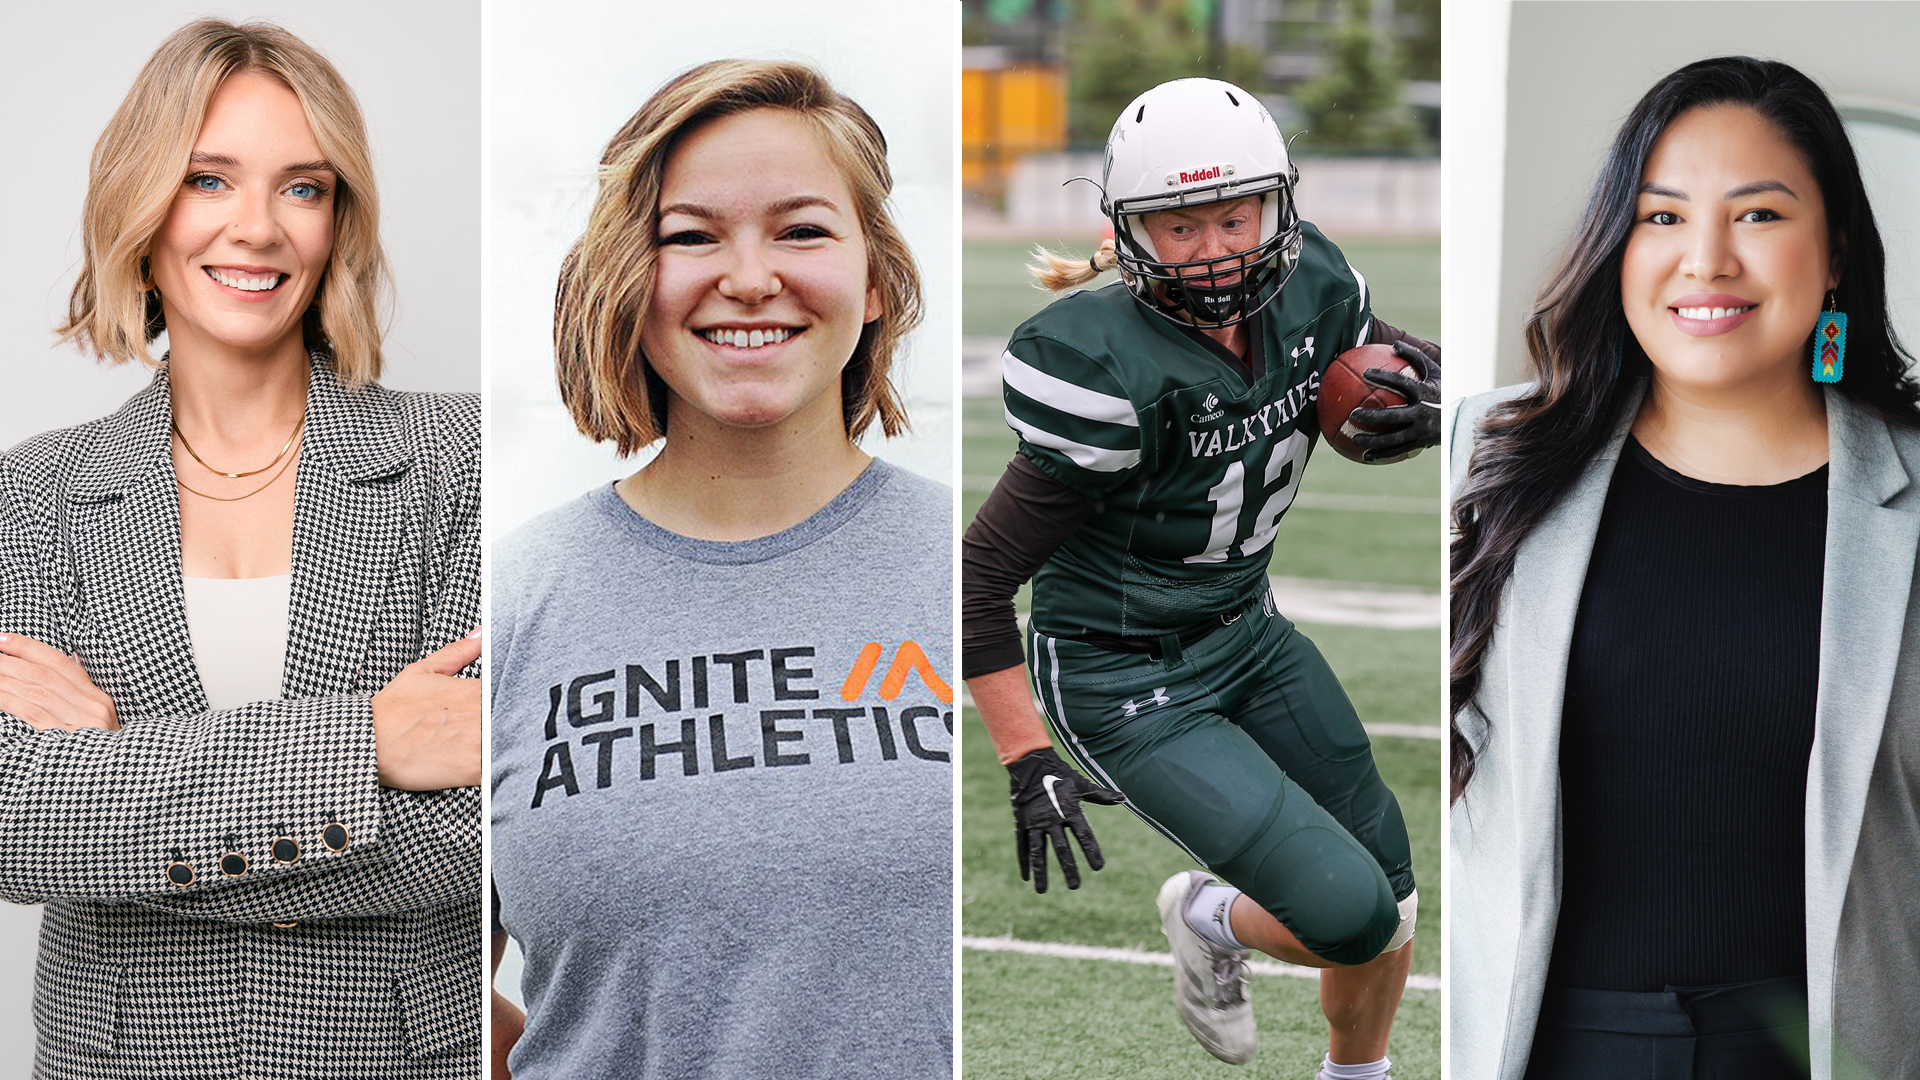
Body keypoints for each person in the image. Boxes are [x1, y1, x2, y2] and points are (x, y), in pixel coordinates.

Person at [0, 18, 482, 1080]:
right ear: (141, 202)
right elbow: (13, 822)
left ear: (338, 221)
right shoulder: (36, 488)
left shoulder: (464, 459)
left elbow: (478, 829)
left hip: (397, 1057)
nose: (257, 227)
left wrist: (115, 766)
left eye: (303, 188)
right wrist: (374, 744)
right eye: (210, 180)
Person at [1449, 56, 1920, 1080]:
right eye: (1661, 218)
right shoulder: (1487, 455)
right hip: (1549, 1049)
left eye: (1757, 216)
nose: (1705, 260)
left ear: (1835, 250)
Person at [960, 77, 1438, 1076]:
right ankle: (1210, 916)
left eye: (1235, 215)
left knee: (1392, 895)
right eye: (1182, 227)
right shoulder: (1096, 364)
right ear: (1132, 234)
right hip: (1126, 679)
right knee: (1349, 915)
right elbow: (978, 576)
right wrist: (1022, 755)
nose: (1218, 247)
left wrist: (1436, 403)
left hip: (1250, 631)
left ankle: (1359, 1072)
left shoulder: (1318, 291)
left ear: (1277, 203)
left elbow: (1401, 365)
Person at [489, 59, 952, 1080]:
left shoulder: (975, 572)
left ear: (875, 279)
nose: (749, 277)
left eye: (802, 230)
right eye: (690, 236)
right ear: (626, 280)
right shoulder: (510, 599)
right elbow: (429, 983)